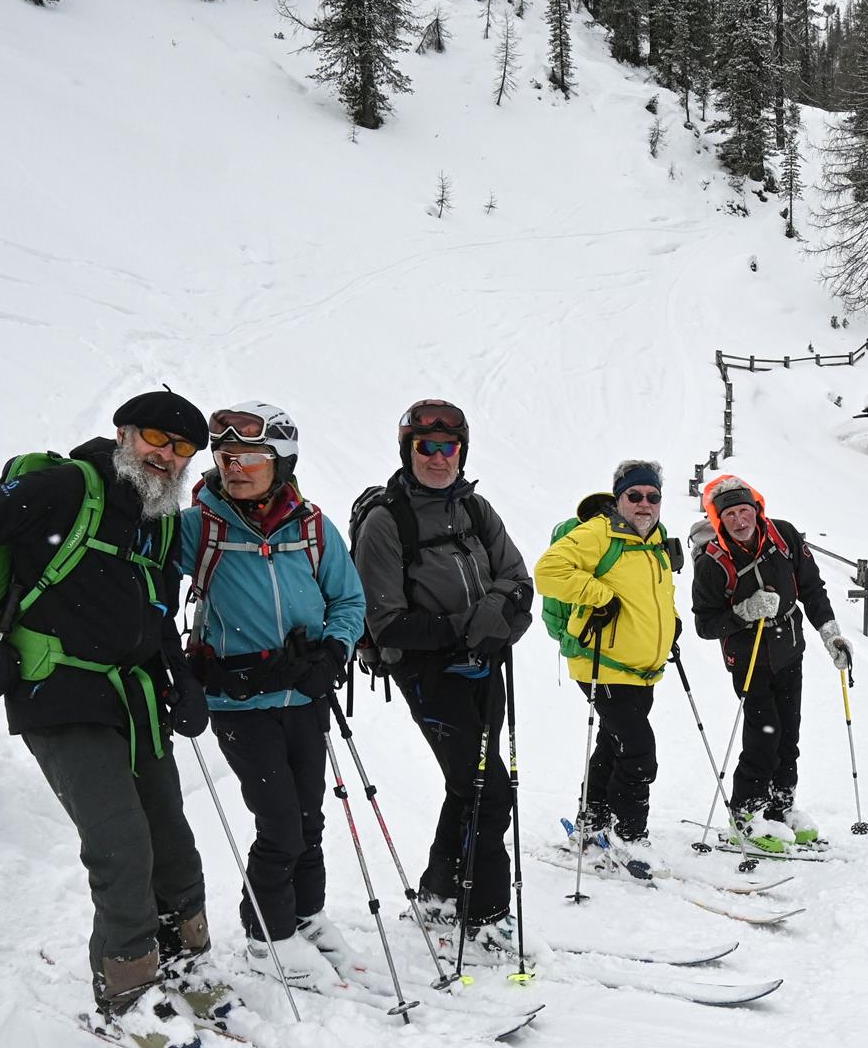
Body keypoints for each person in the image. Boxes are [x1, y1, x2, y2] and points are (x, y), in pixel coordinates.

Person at [0, 390, 215, 1048]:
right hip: (59, 691)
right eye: (155, 439)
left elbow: (156, 610)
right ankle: (128, 993)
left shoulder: (162, 520)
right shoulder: (65, 488)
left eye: (182, 448)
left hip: (134, 697)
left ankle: (185, 961)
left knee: (171, 838)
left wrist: (180, 676)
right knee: (121, 843)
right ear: (124, 433)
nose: (166, 456)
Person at [178, 402, 366, 990]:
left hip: (305, 698)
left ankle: (305, 918)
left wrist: (334, 652)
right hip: (239, 703)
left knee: (310, 819)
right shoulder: (198, 528)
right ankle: (267, 938)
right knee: (281, 824)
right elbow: (140, 579)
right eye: (225, 456)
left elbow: (349, 600)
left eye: (249, 457)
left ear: (281, 461)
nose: (234, 467)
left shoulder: (312, 527)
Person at [351, 400, 534, 956]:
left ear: (462, 451)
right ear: (408, 451)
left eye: (448, 447)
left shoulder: (476, 508)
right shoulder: (387, 523)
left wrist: (497, 616)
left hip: (486, 666)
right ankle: (485, 915)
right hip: (430, 675)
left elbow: (518, 579)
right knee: (488, 789)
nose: (438, 457)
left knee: (468, 784)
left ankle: (439, 892)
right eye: (425, 447)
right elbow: (386, 623)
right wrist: (469, 628)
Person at [690, 474, 853, 853]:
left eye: (744, 511)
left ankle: (781, 807)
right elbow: (705, 624)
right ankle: (746, 816)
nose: (739, 520)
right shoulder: (713, 561)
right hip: (749, 659)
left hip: (789, 650)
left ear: (757, 509)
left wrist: (830, 634)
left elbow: (811, 588)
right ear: (718, 519)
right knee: (764, 738)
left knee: (788, 736)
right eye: (729, 515)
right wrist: (744, 612)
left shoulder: (784, 536)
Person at [534, 460, 681, 867]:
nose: (644, 503)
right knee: (638, 752)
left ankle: (593, 820)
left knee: (613, 744)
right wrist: (598, 596)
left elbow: (656, 594)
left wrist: (671, 624)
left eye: (653, 496)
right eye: (635, 495)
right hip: (602, 662)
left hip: (641, 669)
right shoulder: (599, 532)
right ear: (619, 499)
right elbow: (548, 571)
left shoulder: (655, 540)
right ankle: (628, 836)